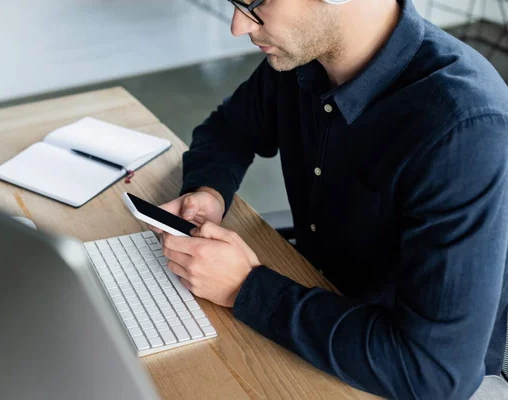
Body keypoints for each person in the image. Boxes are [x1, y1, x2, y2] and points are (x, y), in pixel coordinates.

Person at [152, 0, 508, 398]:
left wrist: (245, 288)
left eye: (256, 3)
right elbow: (229, 130)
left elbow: (434, 372)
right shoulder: (302, 55)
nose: (238, 26)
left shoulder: (463, 125)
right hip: (312, 309)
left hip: (402, 374)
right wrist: (209, 191)